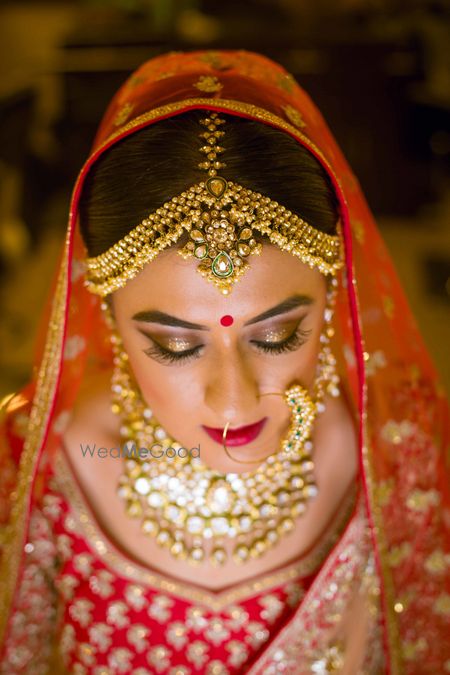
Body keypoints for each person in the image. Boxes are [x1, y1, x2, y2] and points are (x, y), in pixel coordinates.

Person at [0, 50, 448, 675]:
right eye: (177, 346)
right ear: (107, 318)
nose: (234, 401)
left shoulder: (404, 448)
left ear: (334, 296)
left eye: (279, 335)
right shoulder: (34, 466)